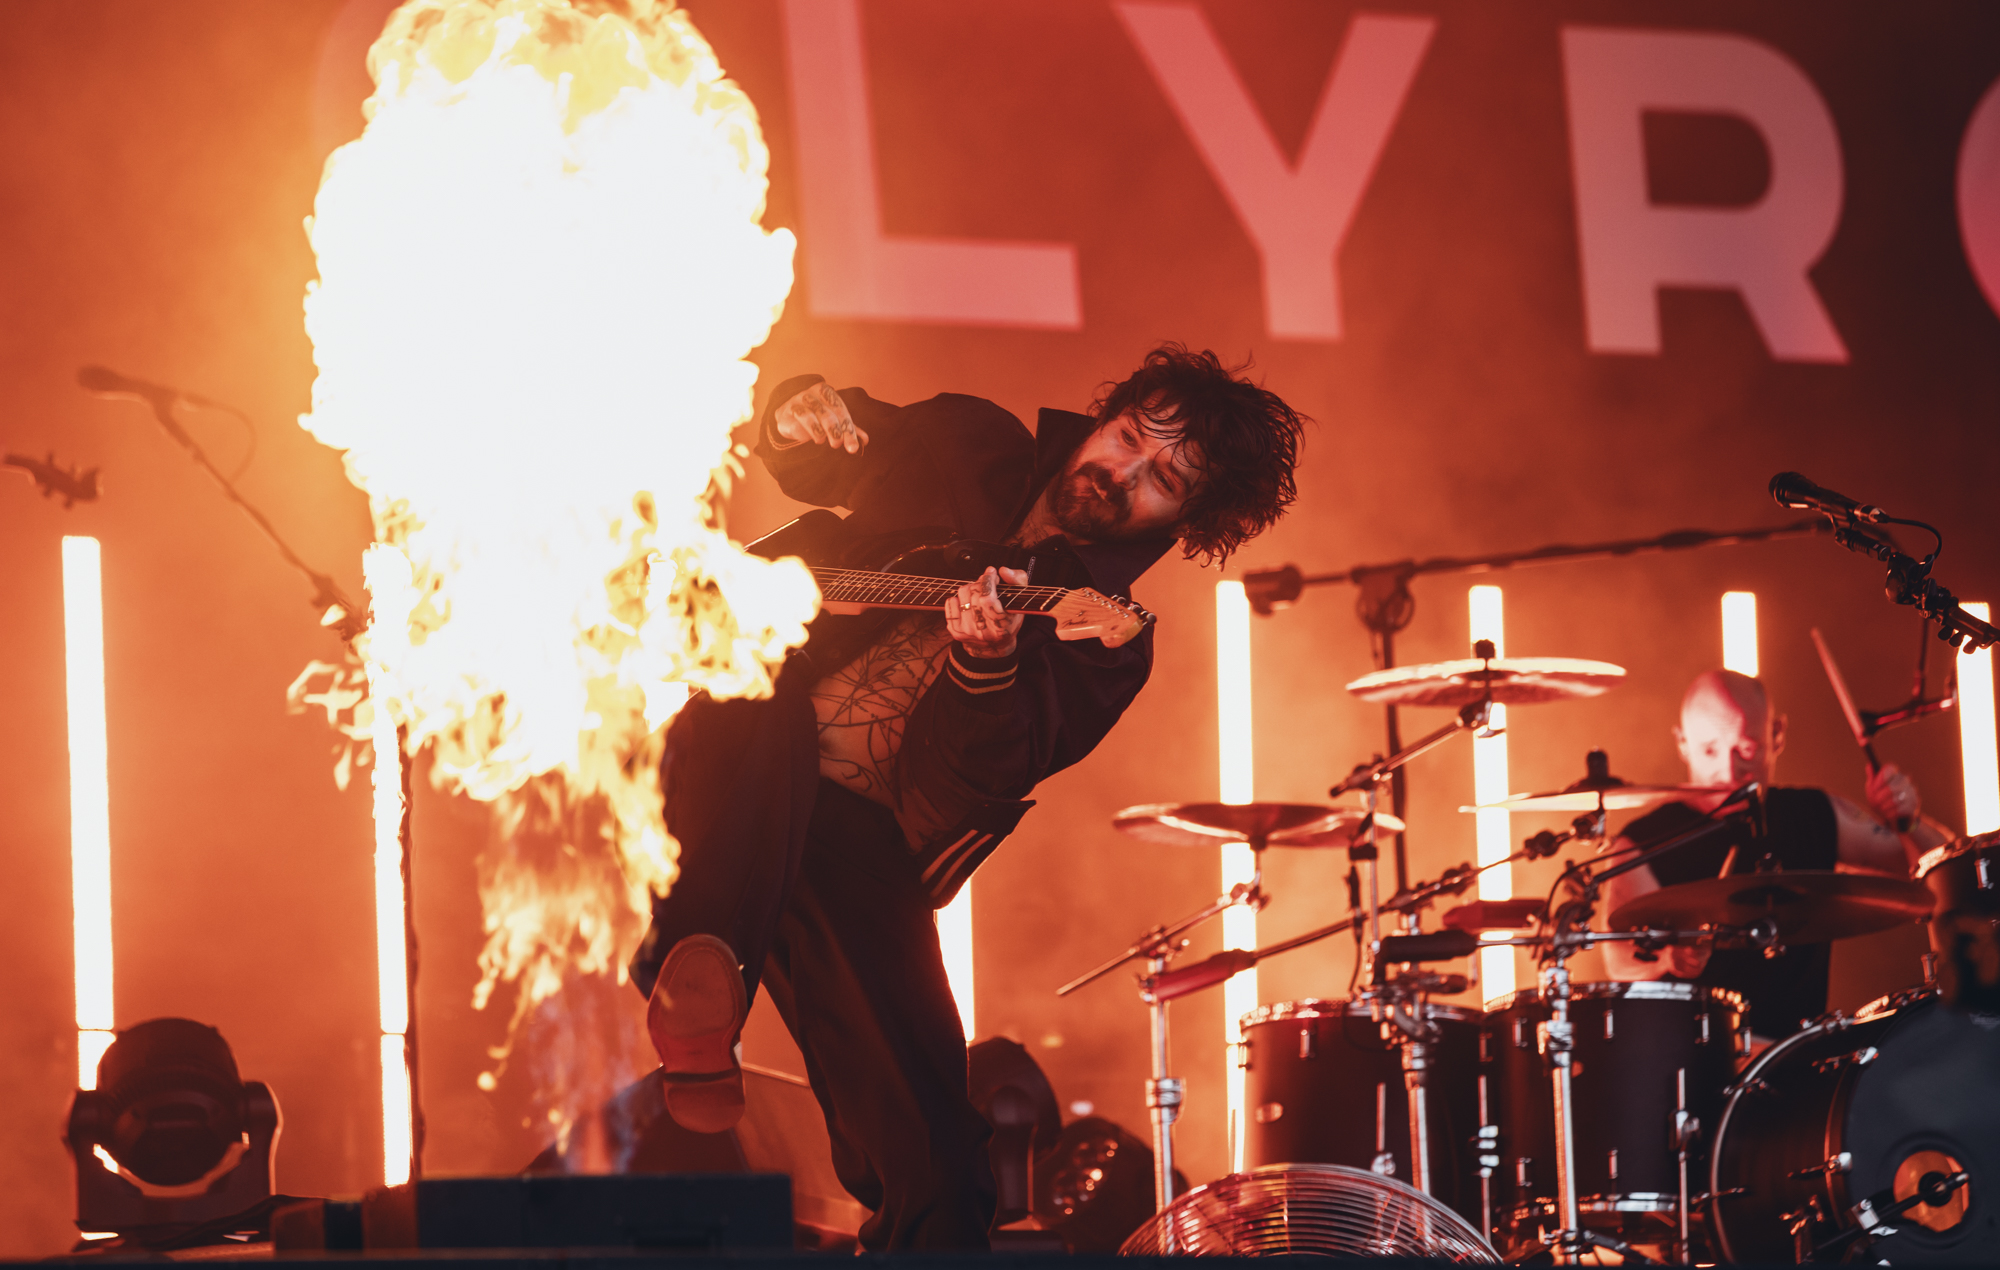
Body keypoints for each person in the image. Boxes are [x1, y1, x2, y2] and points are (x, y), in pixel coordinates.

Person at [627, 344, 1307, 1249]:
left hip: (858, 843)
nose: (1124, 472)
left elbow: (978, 775)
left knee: (941, 1161)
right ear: (1103, 416)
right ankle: (703, 970)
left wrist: (987, 668)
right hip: (740, 740)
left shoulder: (1107, 640)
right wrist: (799, 411)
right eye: (1129, 437)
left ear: (1187, 519)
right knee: (765, 715)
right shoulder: (962, 437)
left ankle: (704, 970)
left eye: (1163, 480)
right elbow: (827, 451)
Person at [1599, 669, 1952, 1044]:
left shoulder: (1816, 812)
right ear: (1681, 743)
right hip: (1699, 1064)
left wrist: (1907, 822)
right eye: (1709, 750)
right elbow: (1617, 960)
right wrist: (1668, 959)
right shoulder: (1642, 843)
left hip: (1803, 1056)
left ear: (1777, 734)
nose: (1729, 769)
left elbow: (1944, 868)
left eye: (1746, 749)